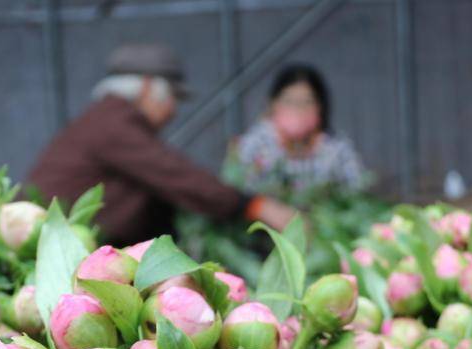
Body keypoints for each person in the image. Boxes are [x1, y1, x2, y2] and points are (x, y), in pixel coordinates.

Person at [28, 43, 295, 246]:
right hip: (49, 244)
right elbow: (177, 176)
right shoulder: (114, 124)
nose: (173, 111)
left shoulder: (105, 118)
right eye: (173, 98)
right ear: (146, 88)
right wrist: (253, 205)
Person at [223, 64, 368, 205]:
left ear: (320, 107)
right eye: (290, 101)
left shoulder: (336, 148)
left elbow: (358, 193)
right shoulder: (255, 144)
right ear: (273, 104)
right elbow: (235, 196)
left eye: (306, 102)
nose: (298, 109)